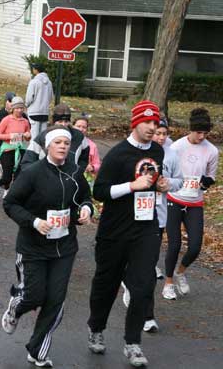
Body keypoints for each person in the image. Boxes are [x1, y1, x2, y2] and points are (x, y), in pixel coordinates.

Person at [1, 126, 94, 367]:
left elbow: (85, 197)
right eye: (58, 142)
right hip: (33, 247)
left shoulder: (75, 171)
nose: (63, 146)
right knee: (34, 295)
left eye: (66, 142)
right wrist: (34, 222)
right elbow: (10, 203)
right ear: (47, 147)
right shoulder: (32, 173)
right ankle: (15, 308)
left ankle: (37, 350)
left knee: (56, 299)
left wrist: (86, 210)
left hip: (64, 247)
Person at [87, 100, 171, 367]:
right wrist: (131, 186)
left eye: (155, 123)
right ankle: (96, 327)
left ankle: (132, 343)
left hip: (146, 229)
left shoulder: (158, 152)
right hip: (114, 231)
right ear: (135, 123)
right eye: (146, 122)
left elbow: (155, 180)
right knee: (106, 285)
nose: (151, 127)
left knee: (144, 286)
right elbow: (99, 192)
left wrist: (161, 186)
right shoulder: (117, 154)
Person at [123, 118, 182, 333]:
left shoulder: (171, 154)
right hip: (131, 216)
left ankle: (147, 315)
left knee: (148, 267)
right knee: (128, 262)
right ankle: (128, 283)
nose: (161, 137)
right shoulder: (133, 151)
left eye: (164, 133)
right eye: (157, 133)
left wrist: (169, 185)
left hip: (157, 217)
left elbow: (180, 180)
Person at [163, 107, 218, 300]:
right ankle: (168, 283)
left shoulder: (212, 150)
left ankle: (180, 272)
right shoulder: (177, 147)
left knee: (195, 246)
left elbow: (211, 176)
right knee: (174, 244)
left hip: (195, 202)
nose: (202, 136)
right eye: (198, 132)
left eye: (205, 133)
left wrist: (205, 182)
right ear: (191, 129)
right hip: (174, 200)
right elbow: (166, 172)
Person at [18, 104, 90, 176]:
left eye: (66, 121)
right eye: (60, 121)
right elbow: (27, 161)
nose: (63, 124)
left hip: (70, 179)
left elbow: (84, 158)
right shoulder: (42, 137)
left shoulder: (79, 137)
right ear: (53, 121)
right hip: (46, 179)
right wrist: (37, 178)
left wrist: (78, 171)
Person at [0, 96, 31, 193]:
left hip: (20, 149)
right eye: (17, 108)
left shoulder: (25, 121)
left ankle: (10, 193)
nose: (19, 110)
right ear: (13, 108)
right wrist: (10, 136)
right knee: (7, 176)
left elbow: (28, 135)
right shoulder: (7, 120)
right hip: (7, 149)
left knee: (19, 174)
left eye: (21, 108)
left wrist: (27, 135)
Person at [25, 62, 53, 139]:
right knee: (42, 137)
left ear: (36, 70)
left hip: (34, 111)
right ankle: (41, 150)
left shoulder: (34, 82)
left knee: (34, 137)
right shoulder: (49, 82)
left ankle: (34, 150)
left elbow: (29, 98)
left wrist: (26, 105)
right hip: (45, 112)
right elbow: (50, 97)